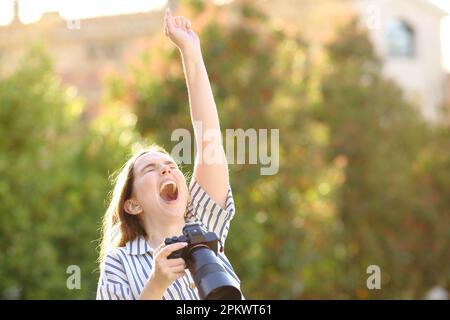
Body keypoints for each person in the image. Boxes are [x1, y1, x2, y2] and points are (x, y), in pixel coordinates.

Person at [96, 7, 242, 300]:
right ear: (133, 205)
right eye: (150, 169)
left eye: (171, 165)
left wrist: (190, 50)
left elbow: (209, 140)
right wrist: (156, 284)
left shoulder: (203, 225)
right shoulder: (120, 262)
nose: (166, 170)